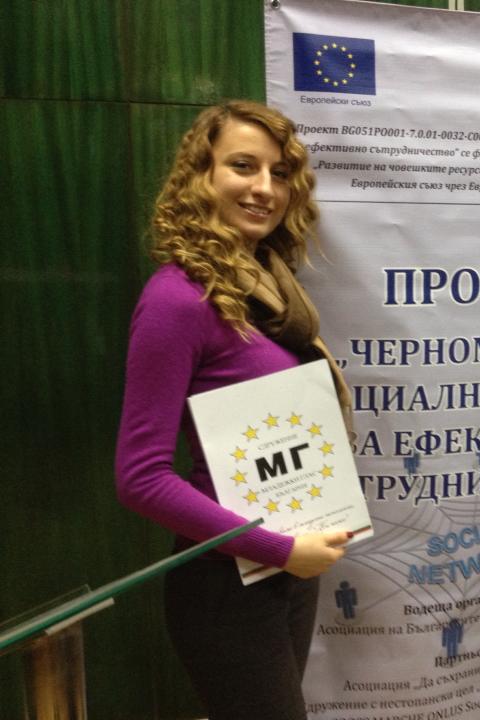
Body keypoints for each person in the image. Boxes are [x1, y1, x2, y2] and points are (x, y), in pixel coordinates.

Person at [115, 100, 353, 720]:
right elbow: (141, 478)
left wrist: (291, 553)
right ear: (202, 176)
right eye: (243, 166)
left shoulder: (271, 288)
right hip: (227, 582)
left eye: (279, 173)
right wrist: (278, 549)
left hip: (287, 567)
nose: (264, 188)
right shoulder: (178, 299)